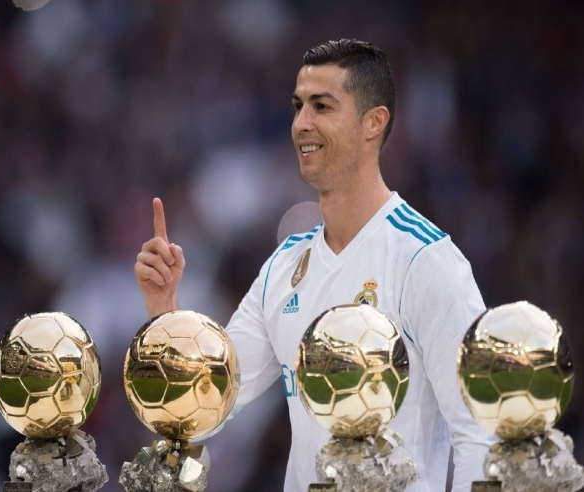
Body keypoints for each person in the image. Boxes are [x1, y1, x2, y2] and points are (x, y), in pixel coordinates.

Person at [134, 38, 493, 491]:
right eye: (298, 106)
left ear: (373, 123)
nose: (301, 123)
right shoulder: (284, 267)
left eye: (322, 106)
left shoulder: (426, 260)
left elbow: (480, 432)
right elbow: (208, 406)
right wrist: (164, 314)